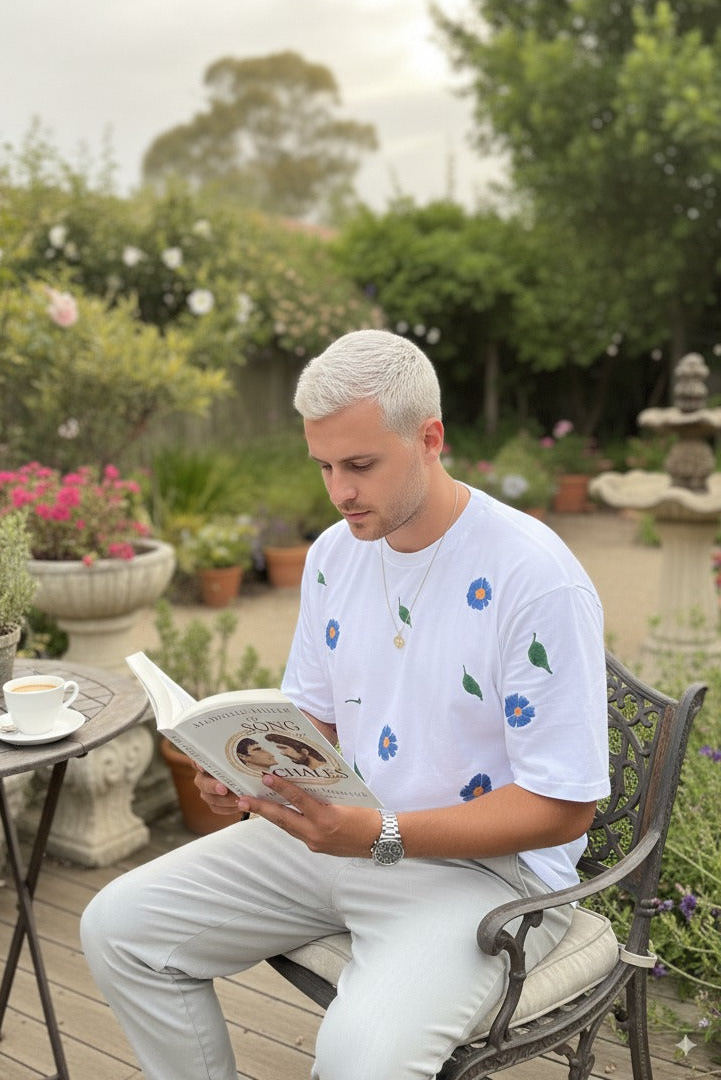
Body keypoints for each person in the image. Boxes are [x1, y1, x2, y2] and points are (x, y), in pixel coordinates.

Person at [81, 329, 610, 1080]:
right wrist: (242, 768)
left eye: (360, 465)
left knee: (361, 1057)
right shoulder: (335, 554)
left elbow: (565, 807)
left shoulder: (534, 578)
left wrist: (380, 832)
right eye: (324, 465)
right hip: (342, 832)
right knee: (119, 928)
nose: (338, 491)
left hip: (490, 878)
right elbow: (315, 723)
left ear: (430, 439)